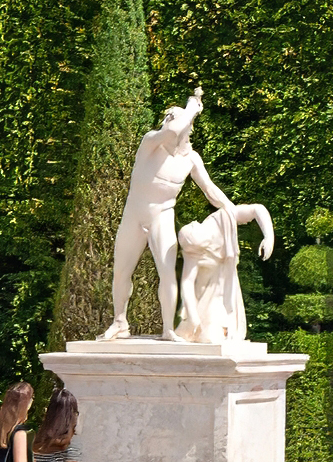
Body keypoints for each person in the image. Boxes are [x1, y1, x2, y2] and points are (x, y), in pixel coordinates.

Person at [97, 87, 238, 341]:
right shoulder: (151, 142)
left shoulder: (191, 159)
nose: (170, 124)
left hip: (162, 214)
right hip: (135, 214)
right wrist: (192, 105)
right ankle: (120, 321)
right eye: (169, 119)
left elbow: (211, 191)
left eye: (172, 119)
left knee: (167, 273)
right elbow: (170, 132)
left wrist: (231, 210)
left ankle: (167, 330)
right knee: (121, 271)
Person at [175, 203, 274, 344]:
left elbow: (257, 209)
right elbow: (187, 282)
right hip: (204, 295)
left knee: (214, 332)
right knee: (209, 336)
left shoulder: (221, 220)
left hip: (222, 288)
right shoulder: (192, 248)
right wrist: (192, 316)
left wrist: (269, 236)